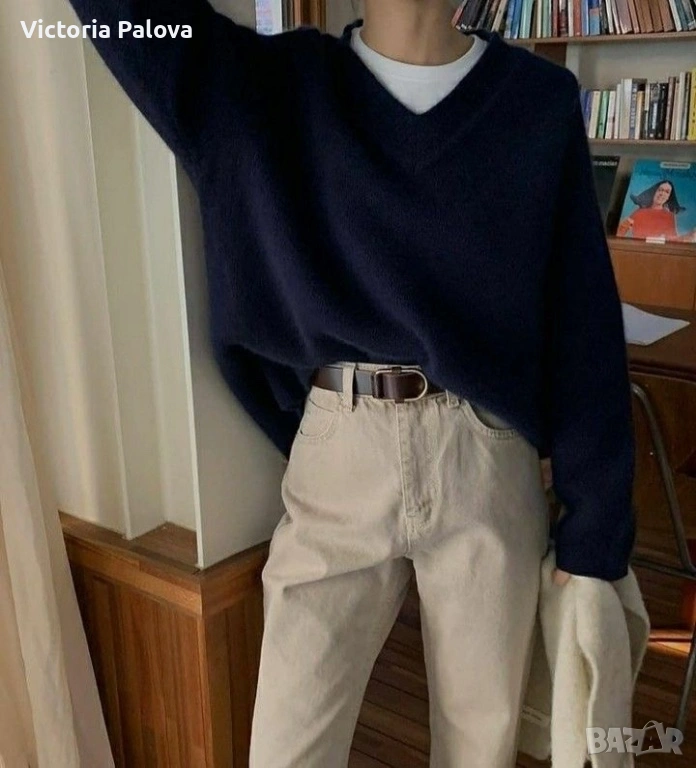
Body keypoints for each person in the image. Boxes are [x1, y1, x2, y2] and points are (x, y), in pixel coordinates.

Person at [63, 1, 636, 766]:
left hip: (486, 457)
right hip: (339, 444)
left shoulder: (537, 100)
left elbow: (582, 319)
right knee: (287, 745)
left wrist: (596, 528)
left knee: (480, 746)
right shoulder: (264, 87)